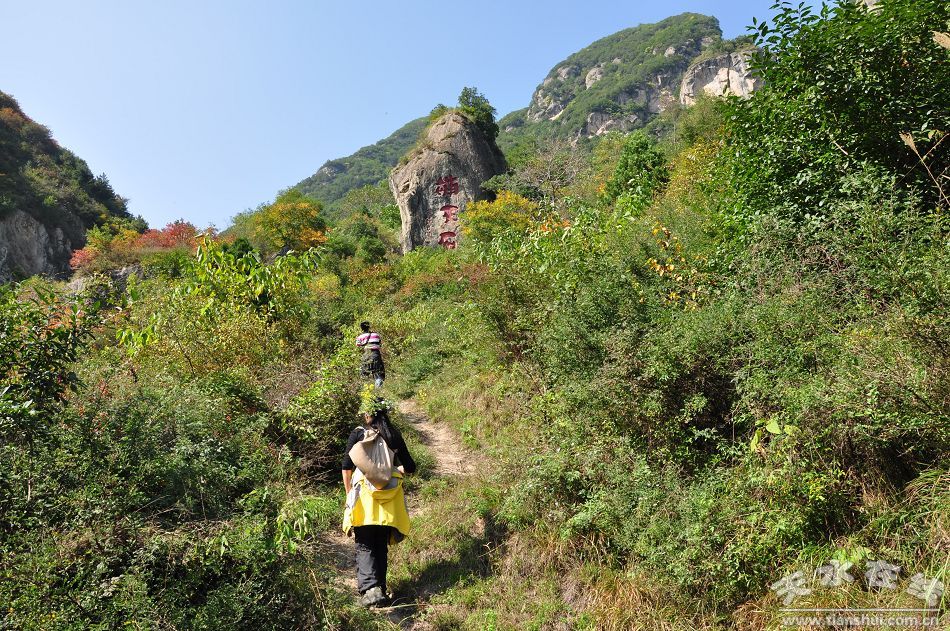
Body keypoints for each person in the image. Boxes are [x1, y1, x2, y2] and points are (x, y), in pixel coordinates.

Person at [341, 407, 416, 607]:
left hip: (365, 496)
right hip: (390, 497)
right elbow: (410, 467)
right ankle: (380, 590)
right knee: (380, 543)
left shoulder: (359, 433)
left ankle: (370, 589)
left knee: (365, 542)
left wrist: (349, 494)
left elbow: (347, 467)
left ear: (368, 414)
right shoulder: (393, 435)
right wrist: (393, 470)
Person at [356, 321, 385, 388]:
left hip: (366, 354)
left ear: (361, 328)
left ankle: (365, 390)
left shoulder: (360, 337)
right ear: (369, 327)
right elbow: (379, 344)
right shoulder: (376, 335)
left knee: (364, 373)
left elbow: (358, 344)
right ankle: (378, 390)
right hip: (376, 354)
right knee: (378, 373)